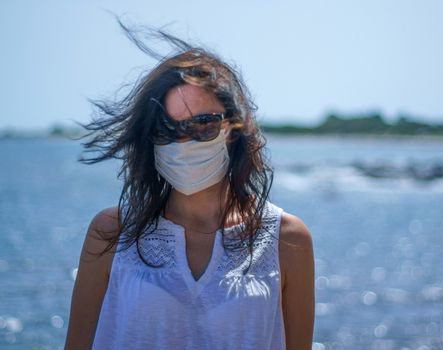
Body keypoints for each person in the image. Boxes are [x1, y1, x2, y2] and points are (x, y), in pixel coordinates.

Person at [64, 18, 315, 350]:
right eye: (168, 129)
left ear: (233, 128)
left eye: (203, 124)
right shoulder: (111, 233)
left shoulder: (287, 239)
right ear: (150, 139)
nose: (184, 142)